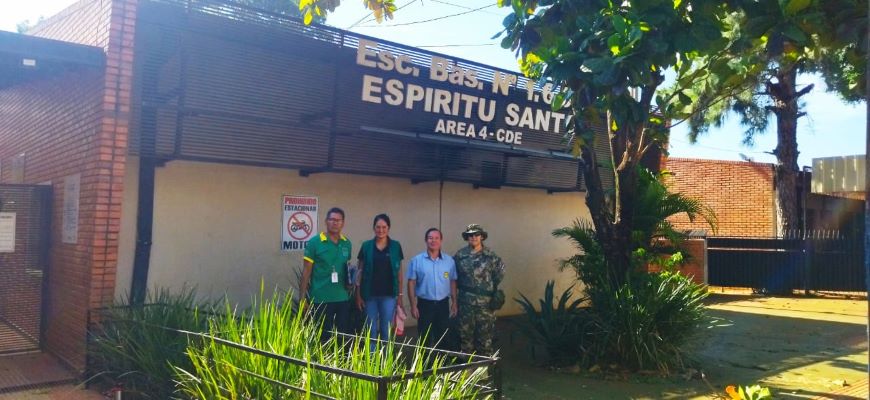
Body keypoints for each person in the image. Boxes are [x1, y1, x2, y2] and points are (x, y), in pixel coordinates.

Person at [300, 207, 353, 335]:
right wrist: (302, 298)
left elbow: (347, 268)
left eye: (338, 220)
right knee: (322, 337)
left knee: (342, 337)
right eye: (331, 219)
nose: (335, 223)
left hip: (342, 298)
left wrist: (350, 282)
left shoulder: (347, 243)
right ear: (326, 221)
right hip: (321, 299)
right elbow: (306, 272)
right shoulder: (315, 243)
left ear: (343, 223)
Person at [454, 224, 505, 355]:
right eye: (470, 235)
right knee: (465, 339)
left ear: (482, 237)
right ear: (467, 238)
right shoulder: (460, 256)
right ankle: (468, 372)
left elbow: (499, 275)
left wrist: (485, 290)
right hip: (465, 304)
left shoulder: (491, 257)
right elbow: (454, 277)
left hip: (486, 306)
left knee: (485, 339)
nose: (473, 237)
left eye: (476, 234)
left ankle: (484, 371)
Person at [355, 214, 405, 347]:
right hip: (369, 295)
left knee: (386, 331)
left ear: (388, 228)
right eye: (378, 227)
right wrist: (358, 295)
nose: (381, 230)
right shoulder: (366, 246)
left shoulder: (395, 246)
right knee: (370, 331)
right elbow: (359, 273)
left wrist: (400, 296)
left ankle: (385, 363)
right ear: (373, 228)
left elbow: (399, 273)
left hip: (389, 296)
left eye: (384, 227)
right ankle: (372, 362)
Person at [406, 227, 457, 350]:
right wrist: (413, 305)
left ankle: (442, 366)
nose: (433, 241)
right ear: (425, 240)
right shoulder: (417, 261)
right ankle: (424, 366)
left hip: (442, 305)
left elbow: (453, 282)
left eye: (436, 238)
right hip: (424, 305)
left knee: (443, 337)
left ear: (441, 240)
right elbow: (411, 283)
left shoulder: (449, 261)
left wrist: (455, 302)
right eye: (430, 238)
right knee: (424, 338)